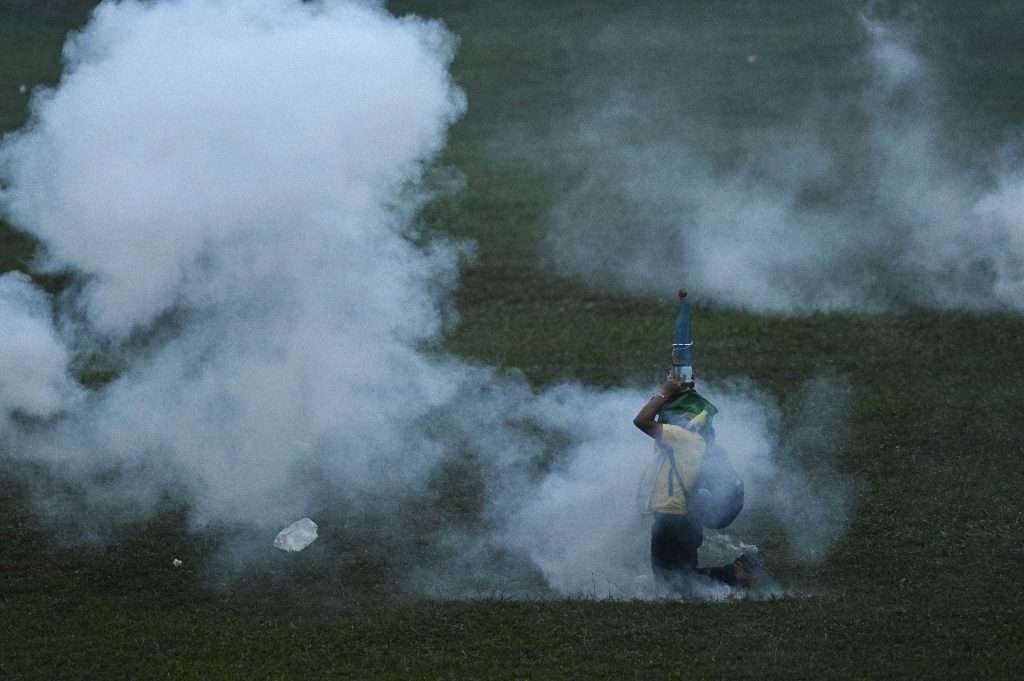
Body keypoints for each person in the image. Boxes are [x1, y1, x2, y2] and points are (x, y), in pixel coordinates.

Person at [633, 372, 766, 594]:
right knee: (674, 582)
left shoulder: (685, 439)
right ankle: (738, 572)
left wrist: (665, 392)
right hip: (676, 518)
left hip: (676, 519)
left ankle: (738, 572)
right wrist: (679, 390)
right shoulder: (693, 440)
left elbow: (642, 421)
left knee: (677, 585)